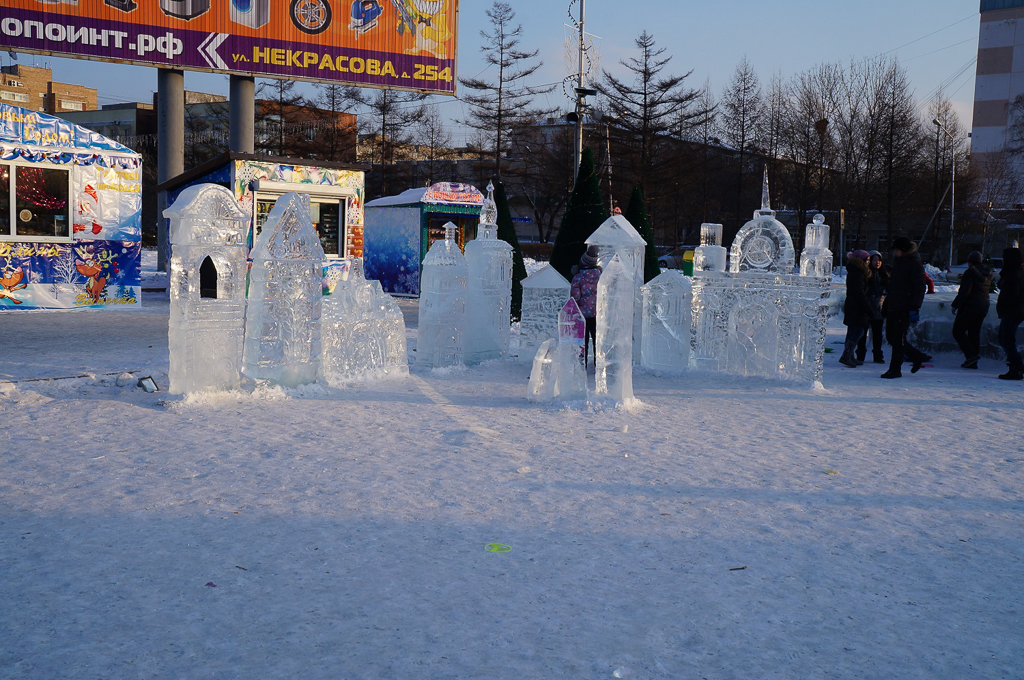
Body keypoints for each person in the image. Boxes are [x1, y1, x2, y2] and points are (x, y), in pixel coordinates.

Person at [881, 236, 931, 379]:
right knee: (891, 337)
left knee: (898, 339)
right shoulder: (899, 262)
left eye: (896, 250)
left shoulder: (914, 263)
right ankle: (917, 356)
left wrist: (915, 307)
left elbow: (920, 287)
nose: (894, 253)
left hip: (905, 307)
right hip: (894, 305)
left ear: (903, 250)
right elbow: (896, 285)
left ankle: (895, 369)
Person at [950, 251, 994, 370]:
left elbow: (965, 292)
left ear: (970, 262)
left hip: (971, 305)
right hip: (984, 305)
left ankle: (971, 356)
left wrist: (955, 305)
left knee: (957, 331)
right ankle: (972, 362)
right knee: (974, 333)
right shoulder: (988, 273)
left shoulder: (970, 272)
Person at [570, 245, 601, 368]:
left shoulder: (578, 278)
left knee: (583, 341)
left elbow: (575, 297)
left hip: (583, 314)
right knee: (597, 339)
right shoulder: (600, 275)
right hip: (598, 313)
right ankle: (598, 363)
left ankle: (583, 365)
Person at [995, 247, 1024, 380]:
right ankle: (1017, 365)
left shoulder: (1013, 274)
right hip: (1015, 311)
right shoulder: (1016, 272)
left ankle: (1016, 367)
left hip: (1012, 311)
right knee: (1005, 338)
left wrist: (1005, 307)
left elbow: (1011, 294)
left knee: (1006, 339)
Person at [840, 250, 872, 368]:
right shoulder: (858, 273)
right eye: (867, 260)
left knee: (853, 330)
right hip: (856, 306)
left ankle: (849, 355)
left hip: (853, 304)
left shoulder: (854, 271)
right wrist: (867, 307)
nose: (869, 262)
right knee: (858, 330)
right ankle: (846, 355)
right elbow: (859, 292)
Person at [857, 250, 889, 364]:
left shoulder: (883, 274)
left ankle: (878, 355)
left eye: (879, 260)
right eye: (875, 260)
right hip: (867, 306)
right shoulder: (866, 274)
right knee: (862, 333)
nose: (877, 262)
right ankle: (860, 355)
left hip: (878, 306)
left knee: (877, 333)